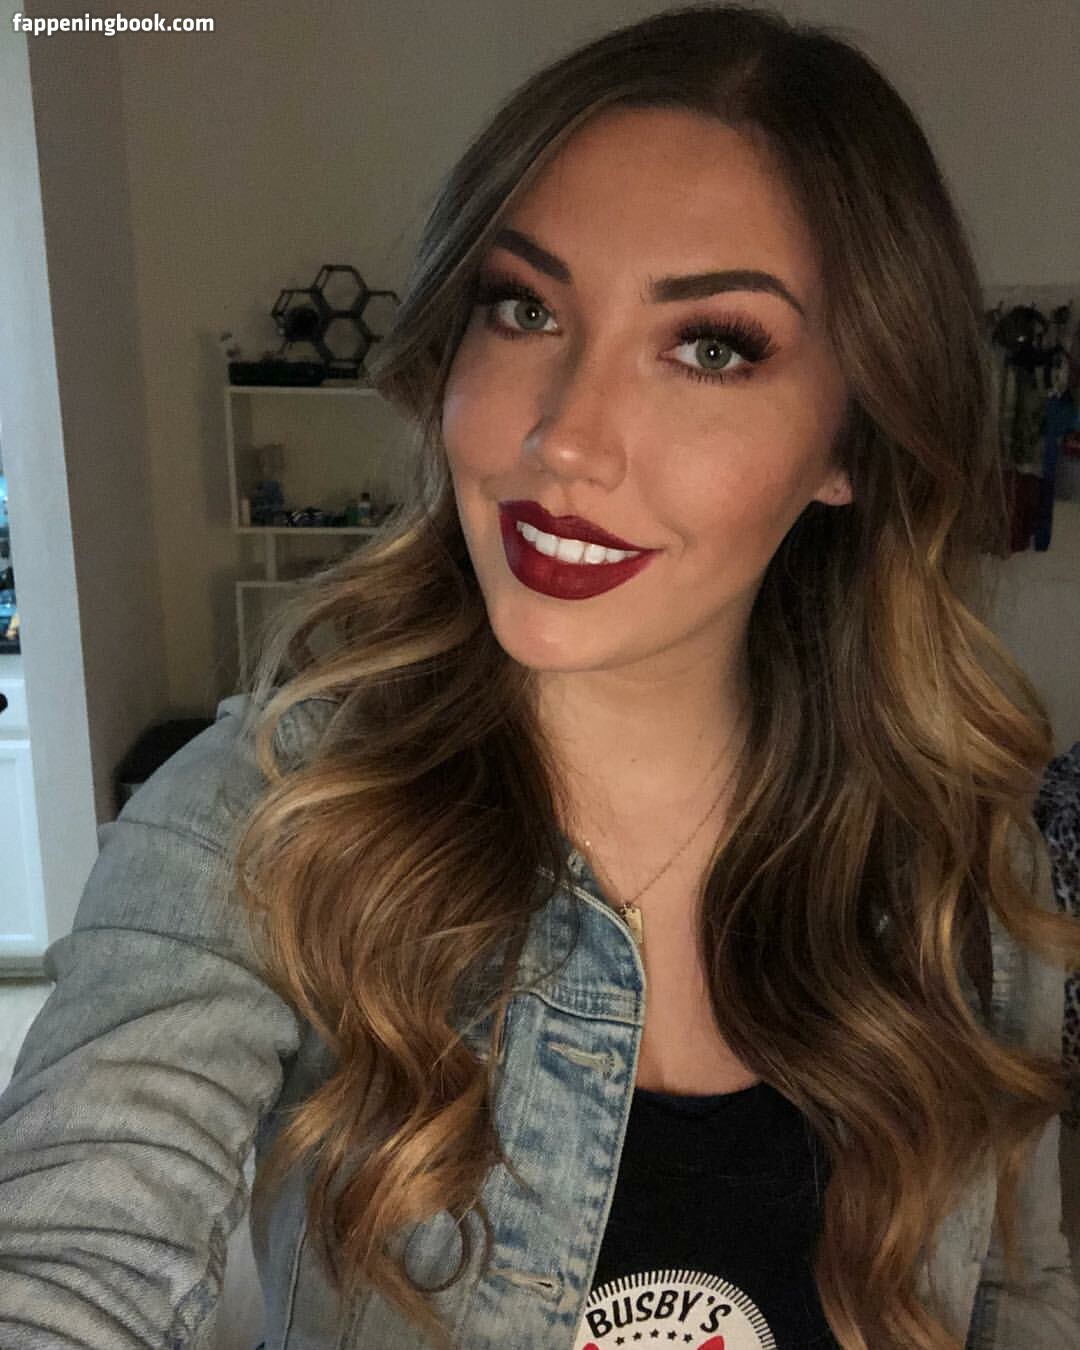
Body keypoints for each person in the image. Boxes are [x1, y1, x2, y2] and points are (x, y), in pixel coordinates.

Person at [1, 5, 1078, 1348]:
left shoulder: (961, 867)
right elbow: (69, 1254)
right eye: (524, 309)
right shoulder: (270, 822)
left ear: (850, 444)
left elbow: (1019, 1294)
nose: (565, 438)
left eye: (712, 346)